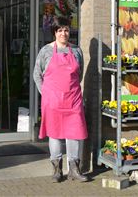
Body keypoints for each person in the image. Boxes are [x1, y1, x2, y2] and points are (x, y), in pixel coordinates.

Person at [33, 17, 89, 183]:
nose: (63, 33)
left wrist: (69, 91)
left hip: (73, 99)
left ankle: (74, 169)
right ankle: (57, 169)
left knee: (74, 133)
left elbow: (79, 75)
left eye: (66, 30)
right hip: (53, 101)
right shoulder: (45, 51)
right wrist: (46, 93)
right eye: (59, 30)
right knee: (55, 134)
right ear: (54, 33)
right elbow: (37, 74)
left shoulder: (77, 51)